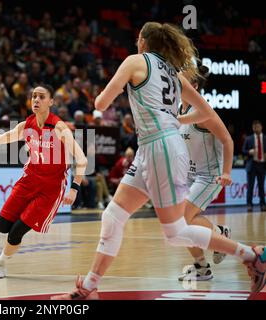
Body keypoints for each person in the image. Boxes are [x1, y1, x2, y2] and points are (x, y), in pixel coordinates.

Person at [52, 22, 265, 299]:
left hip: (161, 146)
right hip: (152, 147)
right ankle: (89, 288)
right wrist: (174, 118)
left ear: (143, 41)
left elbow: (101, 104)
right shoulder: (174, 74)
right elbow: (205, 111)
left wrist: (106, 98)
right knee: (112, 216)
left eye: (138, 37)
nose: (136, 41)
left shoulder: (134, 61)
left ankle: (251, 255)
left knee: (175, 232)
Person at [0, 84, 88, 279]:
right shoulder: (27, 125)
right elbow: (0, 139)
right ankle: (11, 242)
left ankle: (0, 263)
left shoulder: (58, 127)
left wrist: (74, 189)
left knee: (16, 231)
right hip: (29, 179)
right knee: (2, 225)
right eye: (34, 96)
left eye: (41, 97)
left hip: (50, 188)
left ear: (51, 102)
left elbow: (82, 158)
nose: (36, 100)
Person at [177, 63, 233, 281]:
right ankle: (205, 262)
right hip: (189, 175)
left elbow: (227, 140)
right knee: (178, 223)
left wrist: (227, 172)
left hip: (209, 175)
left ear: (194, 86)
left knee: (182, 220)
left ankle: (217, 239)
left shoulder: (203, 112)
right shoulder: (178, 109)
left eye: (181, 79)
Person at [242, 120, 266, 212]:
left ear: (261, 127)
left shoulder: (265, 138)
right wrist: (249, 151)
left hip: (262, 165)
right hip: (252, 165)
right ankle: (249, 205)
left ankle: (263, 205)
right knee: (250, 187)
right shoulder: (248, 138)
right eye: (254, 126)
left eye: (258, 126)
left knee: (261, 187)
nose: (256, 128)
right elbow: (243, 150)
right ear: (252, 128)